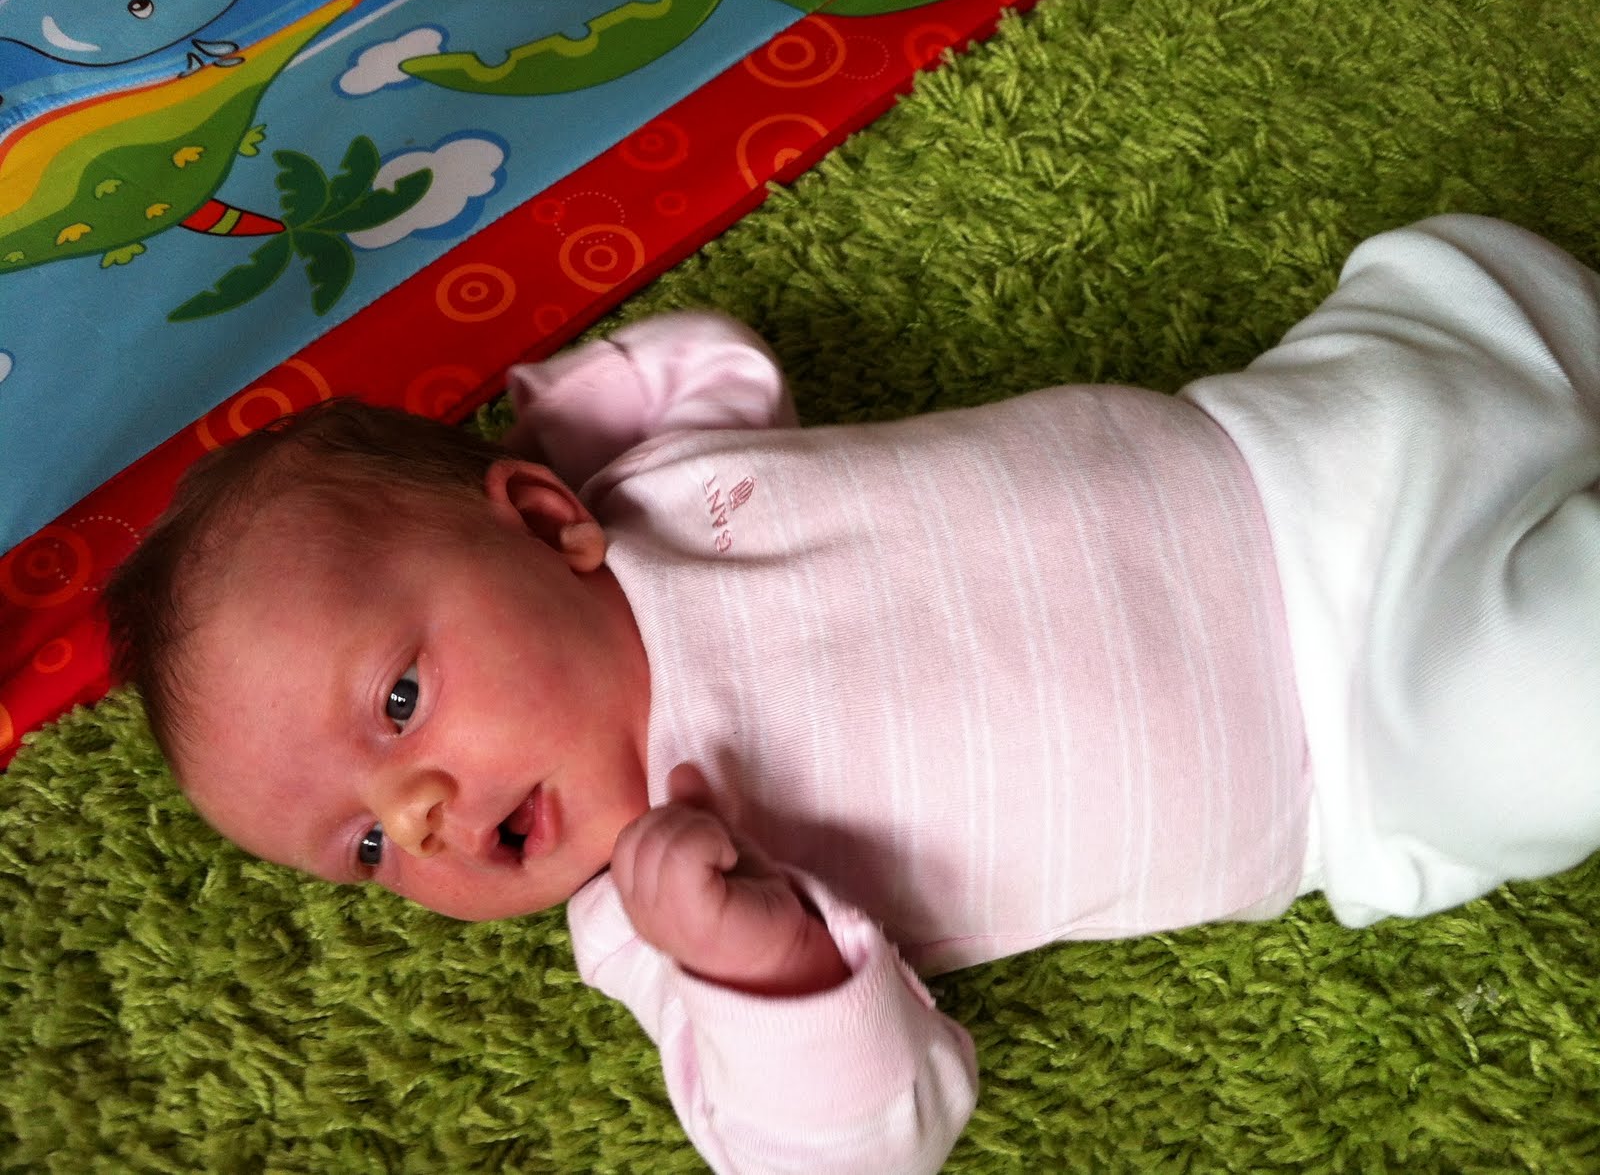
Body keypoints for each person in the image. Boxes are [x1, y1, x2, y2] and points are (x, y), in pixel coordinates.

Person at [103, 215, 1600, 1174]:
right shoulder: (658, 914)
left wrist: (562, 424)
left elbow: (713, 363)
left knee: (1476, 290)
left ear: (543, 522)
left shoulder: (641, 492)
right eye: (365, 847)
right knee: (1553, 719)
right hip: (1358, 744)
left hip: (1287, 448)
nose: (419, 817)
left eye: (399, 702)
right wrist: (762, 972)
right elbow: (852, 1149)